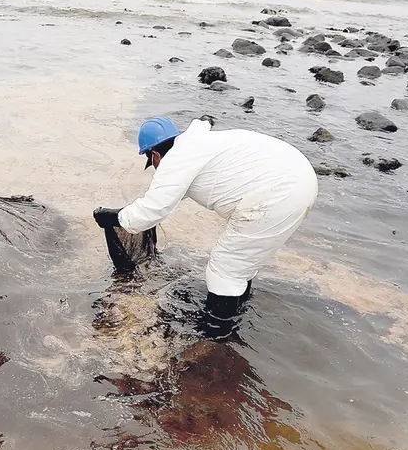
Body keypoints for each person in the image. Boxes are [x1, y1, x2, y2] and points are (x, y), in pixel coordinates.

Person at [93, 116, 317, 326]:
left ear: (155, 154)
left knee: (224, 270)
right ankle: (239, 315)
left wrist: (112, 217)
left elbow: (150, 212)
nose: (156, 167)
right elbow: (162, 202)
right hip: (299, 178)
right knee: (241, 263)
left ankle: (217, 334)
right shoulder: (197, 146)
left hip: (279, 193)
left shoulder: (176, 160)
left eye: (152, 162)